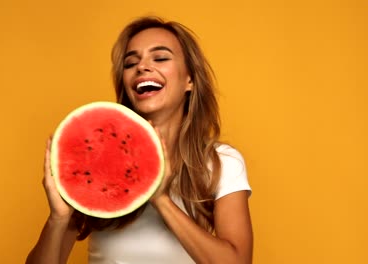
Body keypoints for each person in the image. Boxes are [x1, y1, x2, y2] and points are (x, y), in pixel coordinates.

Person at [26, 16, 253, 264]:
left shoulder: (221, 162)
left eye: (161, 58)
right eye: (130, 62)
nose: (142, 67)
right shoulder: (97, 162)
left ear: (190, 79)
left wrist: (160, 198)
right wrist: (57, 219)